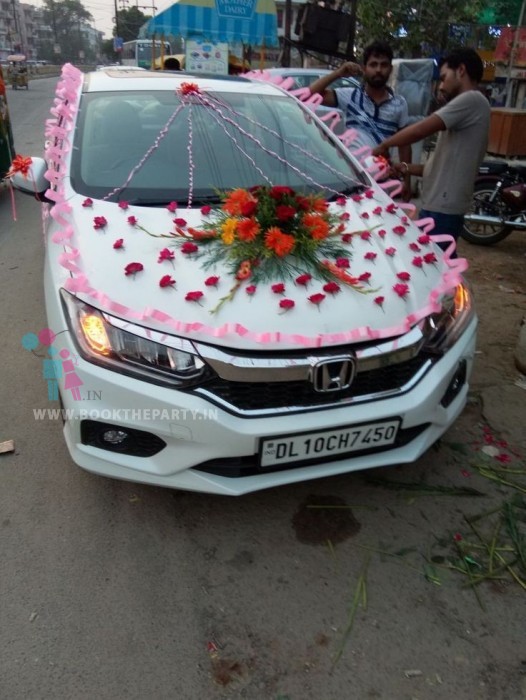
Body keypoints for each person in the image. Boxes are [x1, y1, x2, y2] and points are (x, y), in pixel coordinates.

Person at [372, 48, 490, 251]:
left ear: (461, 70)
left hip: (443, 210)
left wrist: (385, 144)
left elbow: (419, 130)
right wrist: (406, 168)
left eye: (444, 78)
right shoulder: (470, 108)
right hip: (439, 207)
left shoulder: (471, 99)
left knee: (435, 270)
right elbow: (438, 168)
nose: (442, 86)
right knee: (435, 266)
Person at [309, 40, 412, 198]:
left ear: (390, 69)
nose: (378, 70)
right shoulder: (350, 96)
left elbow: (404, 144)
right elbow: (310, 94)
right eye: (373, 64)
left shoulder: (400, 104)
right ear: (364, 68)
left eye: (384, 65)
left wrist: (407, 181)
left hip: (382, 180)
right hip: (351, 177)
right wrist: (338, 73)